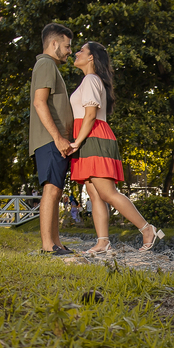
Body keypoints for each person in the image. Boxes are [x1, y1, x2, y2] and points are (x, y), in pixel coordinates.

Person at [66, 42, 163, 255]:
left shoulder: (91, 79)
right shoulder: (89, 80)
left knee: (107, 192)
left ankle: (148, 230)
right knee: (94, 193)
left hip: (92, 137)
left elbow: (90, 114)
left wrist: (77, 142)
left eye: (81, 50)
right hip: (88, 136)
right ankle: (103, 242)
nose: (76, 53)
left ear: (91, 57)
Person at [29, 23, 74, 255]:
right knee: (52, 189)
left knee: (56, 190)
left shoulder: (50, 67)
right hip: (50, 140)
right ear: (54, 43)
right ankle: (48, 246)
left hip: (54, 140)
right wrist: (57, 138)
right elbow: (39, 102)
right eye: (67, 46)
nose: (69, 51)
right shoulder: (46, 64)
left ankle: (55, 243)